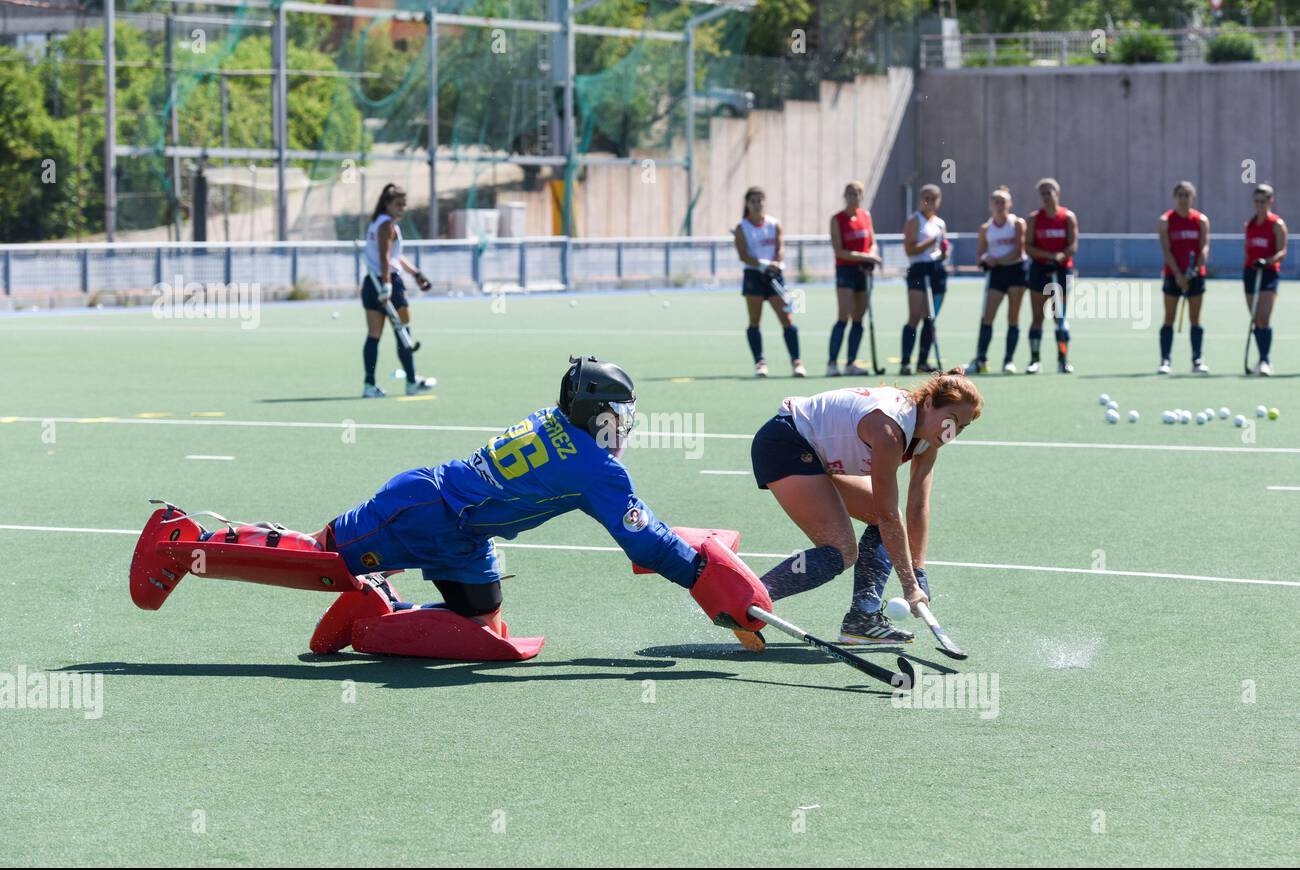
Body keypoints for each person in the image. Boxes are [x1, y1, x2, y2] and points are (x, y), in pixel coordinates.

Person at [131, 358, 772, 645]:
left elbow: (639, 526)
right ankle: (181, 546)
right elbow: (640, 538)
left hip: (462, 533)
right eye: (616, 415)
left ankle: (377, 605)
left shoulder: (562, 425)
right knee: (319, 560)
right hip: (424, 510)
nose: (622, 427)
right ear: (593, 414)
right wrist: (700, 576)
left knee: (482, 621)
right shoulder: (593, 466)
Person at [740, 370, 983, 649]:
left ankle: (862, 619)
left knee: (882, 524)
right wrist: (909, 586)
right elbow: (888, 514)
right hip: (787, 444)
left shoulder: (929, 437)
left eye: (962, 427)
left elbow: (917, 505)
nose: (951, 433)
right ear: (928, 403)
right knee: (841, 551)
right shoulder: (890, 430)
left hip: (820, 454)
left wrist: (919, 572)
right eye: (951, 420)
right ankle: (745, 599)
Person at [361, 183, 436, 398]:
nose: (402, 209)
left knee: (374, 336)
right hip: (389, 285)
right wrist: (387, 284)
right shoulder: (387, 226)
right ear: (387, 204)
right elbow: (385, 257)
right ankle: (411, 381)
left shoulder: (377, 223)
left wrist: (415, 273)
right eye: (398, 205)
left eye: (404, 205)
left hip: (371, 284)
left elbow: (394, 255)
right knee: (404, 332)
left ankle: (369, 385)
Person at [733, 186, 807, 378]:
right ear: (747, 204)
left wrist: (775, 264)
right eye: (753, 201)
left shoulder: (774, 224)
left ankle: (796, 362)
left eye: (760, 200)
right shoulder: (742, 227)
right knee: (755, 321)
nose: (757, 204)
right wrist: (762, 265)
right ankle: (760, 363)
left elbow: (780, 248)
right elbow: (743, 255)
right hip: (754, 277)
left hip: (775, 276)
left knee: (787, 319)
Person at [968, 186, 1028, 374]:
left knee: (1013, 318)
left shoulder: (1017, 223)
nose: (1000, 205)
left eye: (1003, 202)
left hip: (1016, 272)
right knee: (988, 317)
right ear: (991, 205)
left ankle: (1008, 361)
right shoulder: (986, 228)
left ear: (1009, 204)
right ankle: (981, 359)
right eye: (996, 202)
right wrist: (985, 260)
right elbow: (979, 256)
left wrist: (996, 260)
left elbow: (1018, 251)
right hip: (996, 275)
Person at [827, 181, 882, 376]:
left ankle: (851, 363)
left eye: (857, 193)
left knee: (859, 317)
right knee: (844, 316)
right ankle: (832, 363)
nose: (854, 196)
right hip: (846, 272)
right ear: (845, 196)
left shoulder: (865, 216)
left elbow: (872, 243)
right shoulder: (837, 219)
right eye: (850, 193)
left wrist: (871, 255)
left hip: (864, 272)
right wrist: (866, 256)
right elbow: (839, 250)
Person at [1024, 178, 1078, 374]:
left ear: (1057, 193)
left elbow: (1073, 244)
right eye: (1043, 193)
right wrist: (1047, 256)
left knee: (1060, 317)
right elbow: (1028, 245)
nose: (1047, 196)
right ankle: (1034, 360)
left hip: (1062, 271)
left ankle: (1063, 359)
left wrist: (1061, 256)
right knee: (1037, 317)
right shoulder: (1034, 218)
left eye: (1050, 192)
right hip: (1040, 270)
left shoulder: (1068, 217)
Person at [1157, 180, 1211, 375]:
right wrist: (1179, 275)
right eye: (1180, 195)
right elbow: (1166, 249)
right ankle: (1165, 360)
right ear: (1175, 197)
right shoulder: (1166, 220)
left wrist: (1194, 270)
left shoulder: (1201, 220)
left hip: (1195, 276)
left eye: (1187, 195)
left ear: (1192, 198)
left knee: (1195, 319)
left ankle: (1197, 359)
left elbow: (1204, 248)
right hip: (1173, 276)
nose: (1183, 199)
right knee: (1169, 318)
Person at [899, 184, 948, 375]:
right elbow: (910, 249)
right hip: (919, 270)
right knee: (914, 316)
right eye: (926, 197)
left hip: (936, 270)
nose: (930, 202)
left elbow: (941, 250)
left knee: (930, 318)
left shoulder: (940, 223)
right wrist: (931, 241)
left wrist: (944, 251)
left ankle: (922, 361)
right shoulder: (914, 221)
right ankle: (905, 361)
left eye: (934, 198)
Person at [1244, 183, 1288, 376]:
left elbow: (1282, 251)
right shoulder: (1250, 224)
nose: (1259, 205)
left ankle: (1265, 360)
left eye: (1263, 201)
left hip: (1268, 273)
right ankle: (1260, 358)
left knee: (1264, 317)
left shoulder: (1276, 224)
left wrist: (1268, 261)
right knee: (1255, 318)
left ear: (1271, 201)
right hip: (1251, 274)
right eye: (1256, 201)